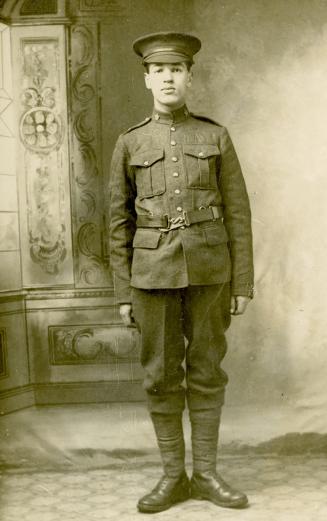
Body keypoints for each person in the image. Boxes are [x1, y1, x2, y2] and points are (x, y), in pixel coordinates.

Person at [108, 31, 254, 513]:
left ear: (190, 77)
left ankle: (206, 475)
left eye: (177, 70)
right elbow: (117, 222)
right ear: (147, 79)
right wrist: (123, 291)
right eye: (160, 71)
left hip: (212, 272)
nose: (169, 78)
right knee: (160, 376)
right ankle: (173, 478)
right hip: (150, 275)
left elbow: (238, 213)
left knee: (208, 371)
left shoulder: (214, 135)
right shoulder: (129, 142)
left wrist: (242, 280)